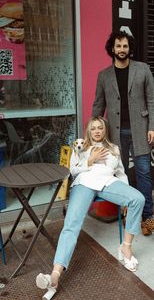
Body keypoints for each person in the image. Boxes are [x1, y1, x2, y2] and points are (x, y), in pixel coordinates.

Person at [36, 116, 145, 300]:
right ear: (89, 131)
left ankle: (125, 247)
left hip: (107, 183)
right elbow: (71, 171)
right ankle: (55, 275)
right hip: (84, 183)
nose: (97, 131)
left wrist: (126, 197)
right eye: (93, 128)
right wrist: (90, 160)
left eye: (100, 128)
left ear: (104, 130)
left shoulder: (114, 149)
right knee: (72, 224)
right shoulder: (80, 147)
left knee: (138, 199)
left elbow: (120, 173)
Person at [92, 31, 154, 236]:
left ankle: (147, 216)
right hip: (116, 134)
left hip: (141, 130)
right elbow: (98, 105)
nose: (122, 50)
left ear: (129, 48)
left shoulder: (143, 70)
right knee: (119, 174)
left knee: (144, 173)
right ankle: (126, 213)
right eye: (118, 46)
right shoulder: (104, 75)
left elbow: (152, 100)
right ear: (112, 49)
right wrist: (93, 135)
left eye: (125, 46)